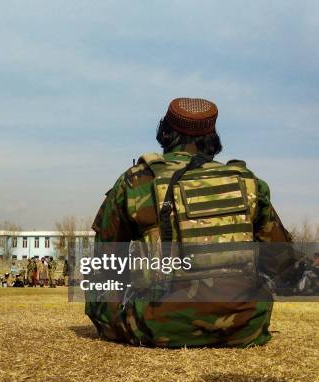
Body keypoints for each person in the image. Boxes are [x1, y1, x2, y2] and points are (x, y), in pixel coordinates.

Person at [86, 97, 295, 348]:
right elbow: (281, 261)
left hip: (157, 325)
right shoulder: (248, 182)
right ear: (213, 137)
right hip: (245, 324)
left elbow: (104, 259)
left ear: (165, 132)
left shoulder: (137, 180)